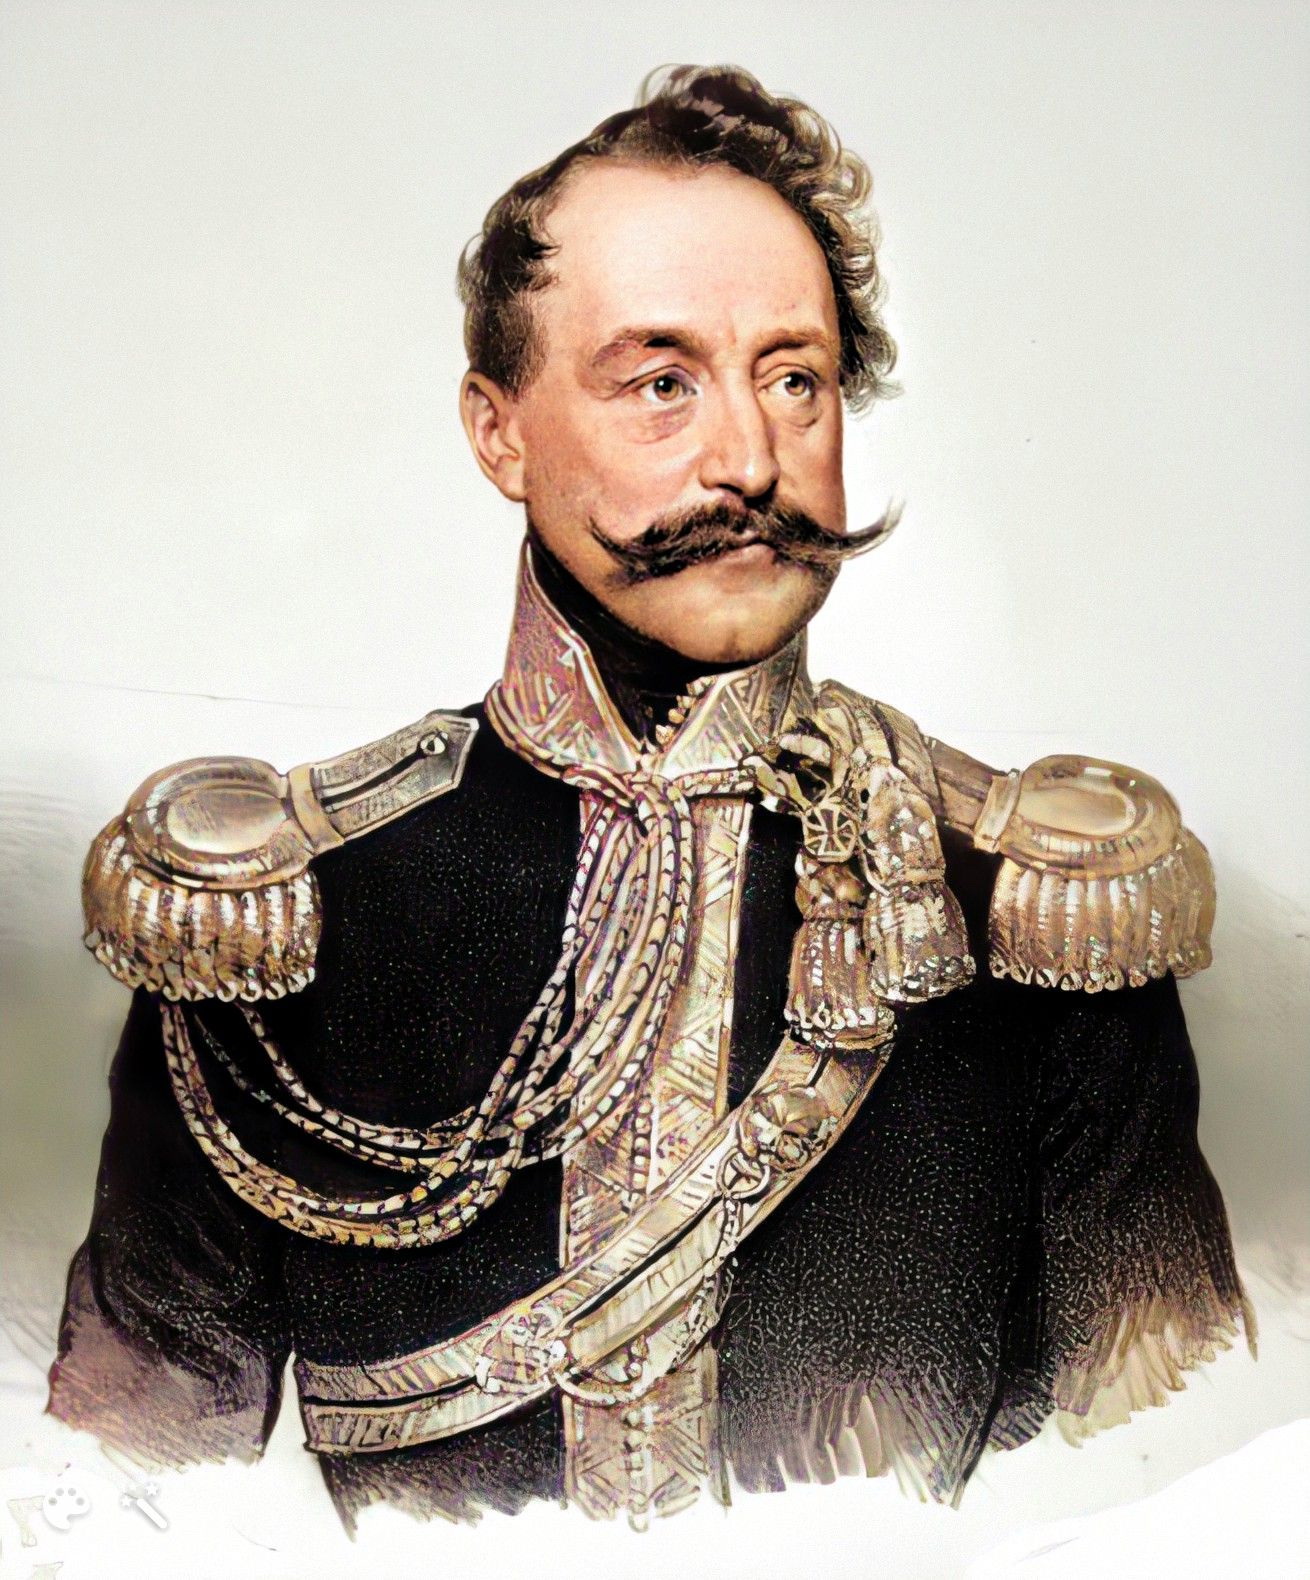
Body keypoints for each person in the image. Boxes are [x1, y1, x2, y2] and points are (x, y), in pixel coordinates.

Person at [48, 64, 1251, 1531]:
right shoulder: (286, 901)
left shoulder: (1032, 907)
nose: (748, 460)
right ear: (498, 432)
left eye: (794, 379)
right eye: (660, 383)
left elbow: (1173, 1493)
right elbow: (125, 1502)